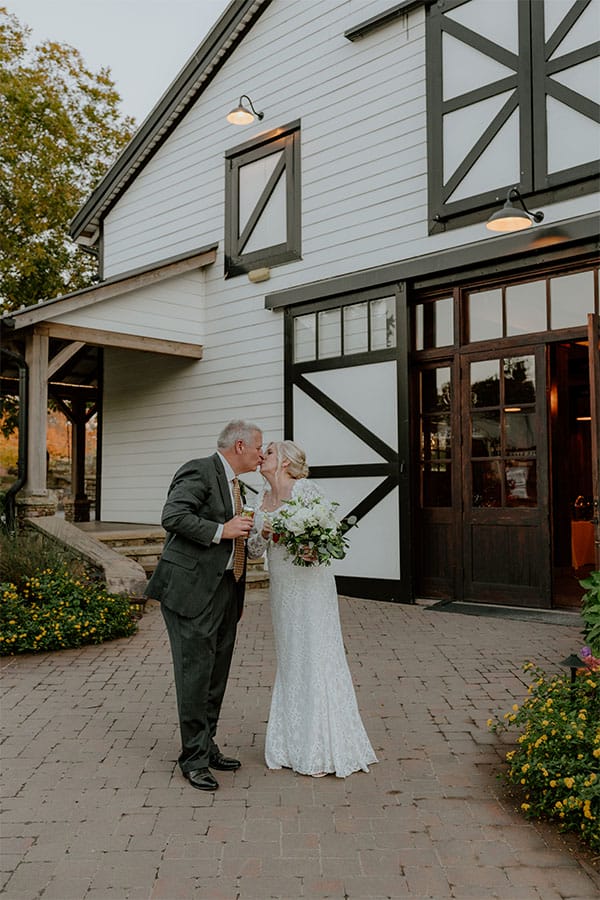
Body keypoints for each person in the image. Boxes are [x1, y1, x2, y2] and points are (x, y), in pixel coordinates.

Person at [247, 440, 377, 778]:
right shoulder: (259, 500)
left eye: (271, 452)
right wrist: (261, 532)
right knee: (292, 658)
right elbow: (253, 551)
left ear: (287, 462)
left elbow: (326, 539)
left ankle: (324, 745)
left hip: (311, 586)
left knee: (317, 654)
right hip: (283, 589)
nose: (263, 456)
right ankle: (290, 744)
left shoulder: (306, 490)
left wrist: (311, 550)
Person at [145, 420, 264, 791]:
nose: (263, 454)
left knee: (216, 673)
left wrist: (238, 592)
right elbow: (173, 516)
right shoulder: (199, 469)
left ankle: (207, 745)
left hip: (227, 590)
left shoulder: (239, 486)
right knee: (195, 674)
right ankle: (192, 759)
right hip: (191, 591)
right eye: (259, 447)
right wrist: (221, 531)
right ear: (240, 445)